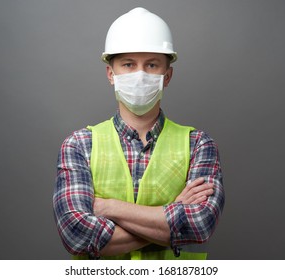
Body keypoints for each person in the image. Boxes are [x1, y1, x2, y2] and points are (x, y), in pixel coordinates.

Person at [53, 7, 225, 260]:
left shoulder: (197, 144)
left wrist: (108, 207)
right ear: (111, 74)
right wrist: (173, 214)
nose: (140, 75)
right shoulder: (79, 145)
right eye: (128, 64)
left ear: (167, 76)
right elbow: (76, 235)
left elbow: (199, 225)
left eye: (152, 65)